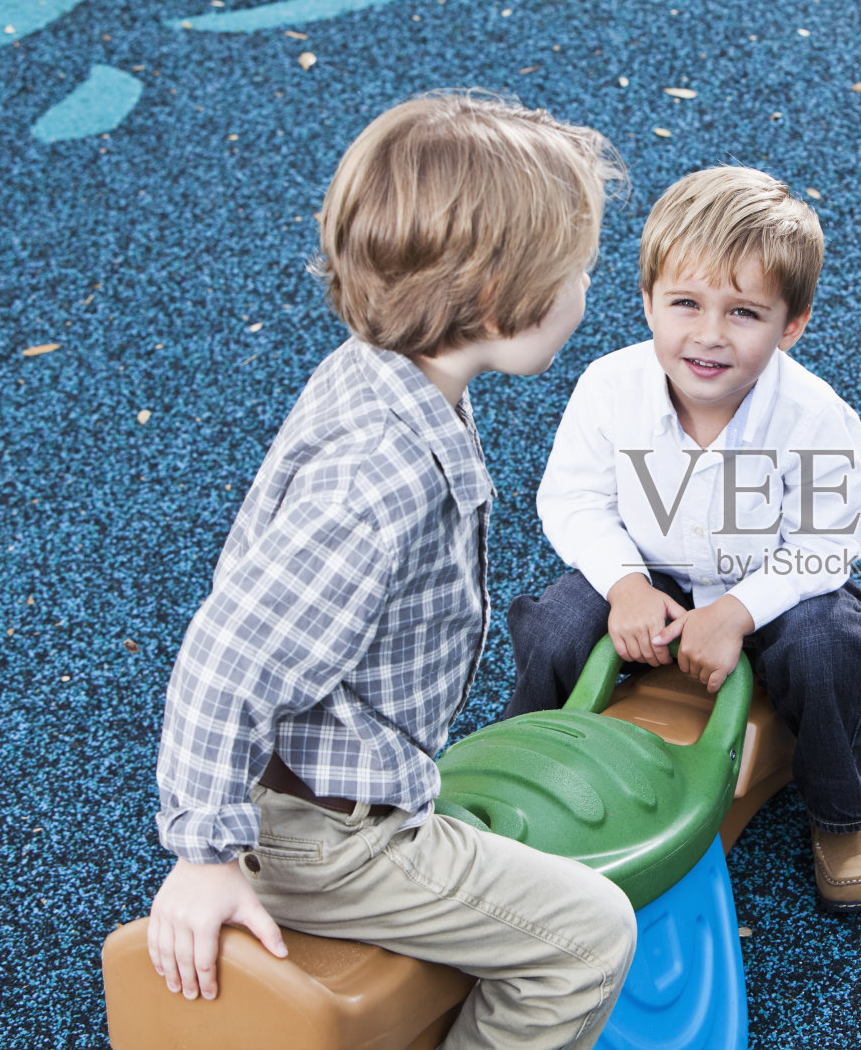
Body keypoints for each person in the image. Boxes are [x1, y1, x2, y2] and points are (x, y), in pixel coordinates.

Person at [147, 91, 636, 1049]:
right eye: (579, 268)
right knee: (588, 932)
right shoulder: (379, 475)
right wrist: (204, 853)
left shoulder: (389, 373)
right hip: (330, 836)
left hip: (337, 784)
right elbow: (223, 660)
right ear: (500, 300)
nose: (588, 288)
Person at [505, 165, 861, 912]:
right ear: (648, 302)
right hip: (651, 570)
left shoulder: (816, 416)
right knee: (555, 624)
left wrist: (737, 613)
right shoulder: (608, 388)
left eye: (744, 313)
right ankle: (528, 765)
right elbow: (573, 498)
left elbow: (824, 544)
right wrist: (625, 585)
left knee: (829, 646)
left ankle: (843, 810)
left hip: (772, 586)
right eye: (685, 303)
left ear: (792, 324)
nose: (709, 335)